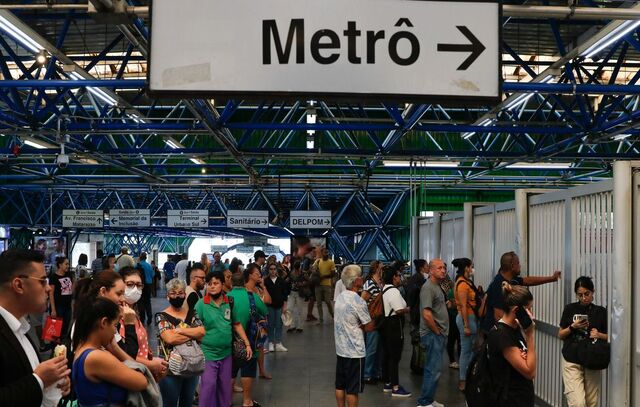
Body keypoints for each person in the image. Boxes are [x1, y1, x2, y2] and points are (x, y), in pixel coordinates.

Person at [0, 249, 71, 407]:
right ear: (19, 285)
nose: (48, 288)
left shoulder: (22, 329)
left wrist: (51, 385)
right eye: (42, 281)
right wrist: (39, 380)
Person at [72, 297, 149, 406]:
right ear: (104, 323)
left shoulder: (82, 349)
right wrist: (115, 348)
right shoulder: (96, 357)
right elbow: (142, 381)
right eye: (115, 325)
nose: (114, 331)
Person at [196, 271, 253, 407]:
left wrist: (247, 344)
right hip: (208, 354)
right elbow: (194, 327)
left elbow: (237, 324)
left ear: (222, 284)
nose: (212, 287)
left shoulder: (229, 302)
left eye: (215, 283)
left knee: (224, 389)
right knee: (208, 387)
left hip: (226, 354)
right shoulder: (201, 304)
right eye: (209, 284)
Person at [482, 251, 561, 334]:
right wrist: (515, 331)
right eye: (518, 263)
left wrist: (552, 278)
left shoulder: (511, 279)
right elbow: (498, 315)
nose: (520, 266)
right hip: (495, 333)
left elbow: (529, 281)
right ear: (512, 266)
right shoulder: (498, 284)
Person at [558, 276, 607, 407]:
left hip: (592, 358)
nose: (584, 298)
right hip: (571, 358)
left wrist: (599, 335)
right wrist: (572, 327)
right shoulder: (570, 309)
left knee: (591, 402)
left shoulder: (601, 312)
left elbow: (611, 337)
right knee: (578, 403)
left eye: (587, 294)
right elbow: (561, 334)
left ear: (593, 292)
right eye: (580, 295)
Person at [156, 278, 205, 407]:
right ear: (167, 296)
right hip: (169, 369)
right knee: (169, 403)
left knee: (187, 403)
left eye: (180, 292)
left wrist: (179, 331)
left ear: (185, 294)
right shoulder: (161, 316)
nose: (177, 296)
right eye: (173, 293)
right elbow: (169, 339)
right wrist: (192, 333)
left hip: (191, 365)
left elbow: (202, 333)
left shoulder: (192, 313)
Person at [487, 282, 536, 407]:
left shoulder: (514, 328)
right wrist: (530, 335)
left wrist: (525, 357)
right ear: (516, 310)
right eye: (529, 309)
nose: (532, 314)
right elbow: (530, 372)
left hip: (521, 397)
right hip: (510, 400)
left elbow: (528, 360)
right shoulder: (502, 335)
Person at [73, 270, 140, 361]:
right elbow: (128, 360)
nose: (123, 299)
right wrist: (129, 324)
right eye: (118, 294)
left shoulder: (103, 319)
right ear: (103, 291)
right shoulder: (96, 323)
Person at [333, 264, 376, 407]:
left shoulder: (340, 297)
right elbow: (369, 326)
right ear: (356, 280)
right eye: (360, 276)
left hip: (341, 349)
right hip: (355, 352)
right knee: (352, 389)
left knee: (340, 386)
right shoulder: (358, 301)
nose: (363, 278)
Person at [228, 265, 269, 407]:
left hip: (230, 341)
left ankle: (228, 400)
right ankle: (247, 401)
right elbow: (264, 310)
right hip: (250, 341)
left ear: (231, 283)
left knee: (231, 372)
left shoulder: (226, 298)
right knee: (248, 371)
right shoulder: (252, 296)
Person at [119, 267, 168, 381]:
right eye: (130, 284)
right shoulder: (119, 315)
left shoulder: (133, 312)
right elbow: (122, 353)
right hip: (130, 376)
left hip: (141, 371)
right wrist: (151, 364)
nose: (135, 289)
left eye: (139, 285)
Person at [417, 259, 449, 407]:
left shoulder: (437, 286)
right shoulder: (428, 288)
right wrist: (437, 332)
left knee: (435, 369)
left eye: (444, 268)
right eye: (439, 268)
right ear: (431, 271)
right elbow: (427, 314)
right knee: (432, 369)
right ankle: (424, 402)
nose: (443, 270)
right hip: (432, 334)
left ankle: (429, 399)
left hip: (437, 334)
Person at [379, 267, 411, 397]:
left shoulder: (384, 289)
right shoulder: (393, 291)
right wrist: (408, 309)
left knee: (387, 355)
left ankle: (388, 382)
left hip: (385, 326)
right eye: (399, 275)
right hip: (394, 326)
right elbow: (398, 310)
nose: (400, 277)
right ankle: (396, 387)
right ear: (394, 277)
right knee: (395, 357)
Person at [453, 257, 481, 391]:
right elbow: (463, 306)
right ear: (466, 268)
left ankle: (467, 377)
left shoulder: (465, 282)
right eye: (471, 267)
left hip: (470, 318)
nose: (472, 269)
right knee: (466, 351)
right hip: (467, 318)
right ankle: (463, 380)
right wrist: (466, 325)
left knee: (470, 350)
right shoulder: (462, 284)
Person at [361, 260, 383, 384]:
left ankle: (376, 372)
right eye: (382, 268)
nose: (383, 270)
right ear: (376, 269)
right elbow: (362, 301)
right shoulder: (370, 283)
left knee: (379, 348)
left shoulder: (381, 283)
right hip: (372, 319)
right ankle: (367, 374)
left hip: (379, 320)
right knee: (372, 348)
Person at [264, 262, 289, 352]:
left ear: (276, 270)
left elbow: (285, 294)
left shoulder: (281, 281)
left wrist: (285, 306)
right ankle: (271, 342)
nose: (273, 271)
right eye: (271, 269)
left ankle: (278, 343)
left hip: (279, 306)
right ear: (268, 270)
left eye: (274, 269)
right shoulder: (265, 281)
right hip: (269, 306)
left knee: (279, 324)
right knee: (270, 324)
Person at [49, 256, 73, 341]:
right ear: (60, 265)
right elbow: (51, 293)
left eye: (68, 264)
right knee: (56, 330)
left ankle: (62, 348)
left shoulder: (69, 275)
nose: (68, 266)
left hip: (68, 307)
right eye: (66, 264)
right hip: (58, 306)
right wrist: (53, 309)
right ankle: (55, 349)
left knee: (65, 329)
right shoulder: (54, 277)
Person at [441, 271, 460, 370]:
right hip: (452, 317)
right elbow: (450, 305)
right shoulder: (453, 291)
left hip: (455, 317)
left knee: (456, 339)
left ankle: (455, 360)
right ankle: (452, 360)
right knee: (453, 338)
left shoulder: (452, 288)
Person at [314, 247, 336, 323]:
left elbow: (333, 274)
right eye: (325, 252)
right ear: (322, 253)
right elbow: (313, 269)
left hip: (327, 285)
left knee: (327, 301)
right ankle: (321, 319)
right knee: (318, 303)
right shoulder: (318, 261)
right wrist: (315, 271)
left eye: (327, 252)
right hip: (318, 285)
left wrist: (323, 276)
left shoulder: (331, 262)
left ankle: (333, 315)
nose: (326, 254)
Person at [287, 260, 307, 333]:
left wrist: (301, 284)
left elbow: (308, 281)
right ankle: (292, 326)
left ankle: (299, 326)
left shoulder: (302, 273)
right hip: (292, 292)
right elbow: (287, 280)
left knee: (299, 310)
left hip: (299, 293)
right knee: (289, 309)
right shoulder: (291, 273)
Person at [137, 252, 155, 325]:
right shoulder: (149, 266)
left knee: (140, 301)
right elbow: (152, 275)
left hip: (140, 285)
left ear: (140, 258)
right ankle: (149, 316)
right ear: (146, 258)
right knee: (147, 301)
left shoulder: (137, 265)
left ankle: (142, 318)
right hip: (148, 285)